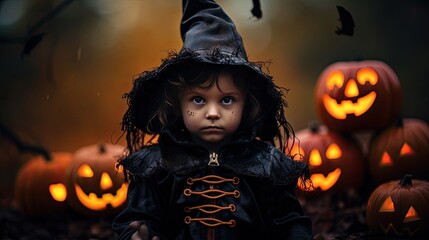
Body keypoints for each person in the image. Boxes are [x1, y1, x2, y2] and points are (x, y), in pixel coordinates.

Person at [112, 0, 313, 239]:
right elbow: (137, 218)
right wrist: (137, 234)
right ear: (178, 103)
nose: (213, 112)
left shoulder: (266, 164)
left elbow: (289, 222)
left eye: (227, 100)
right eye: (198, 100)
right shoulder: (157, 165)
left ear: (246, 104)